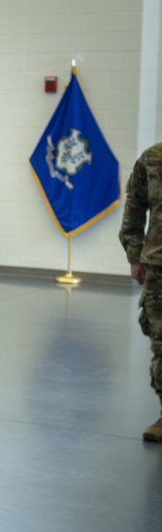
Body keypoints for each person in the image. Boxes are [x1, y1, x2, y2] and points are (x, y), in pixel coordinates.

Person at [119, 141, 162, 442]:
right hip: (158, 268)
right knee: (161, 344)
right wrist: (135, 255)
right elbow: (134, 208)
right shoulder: (152, 159)